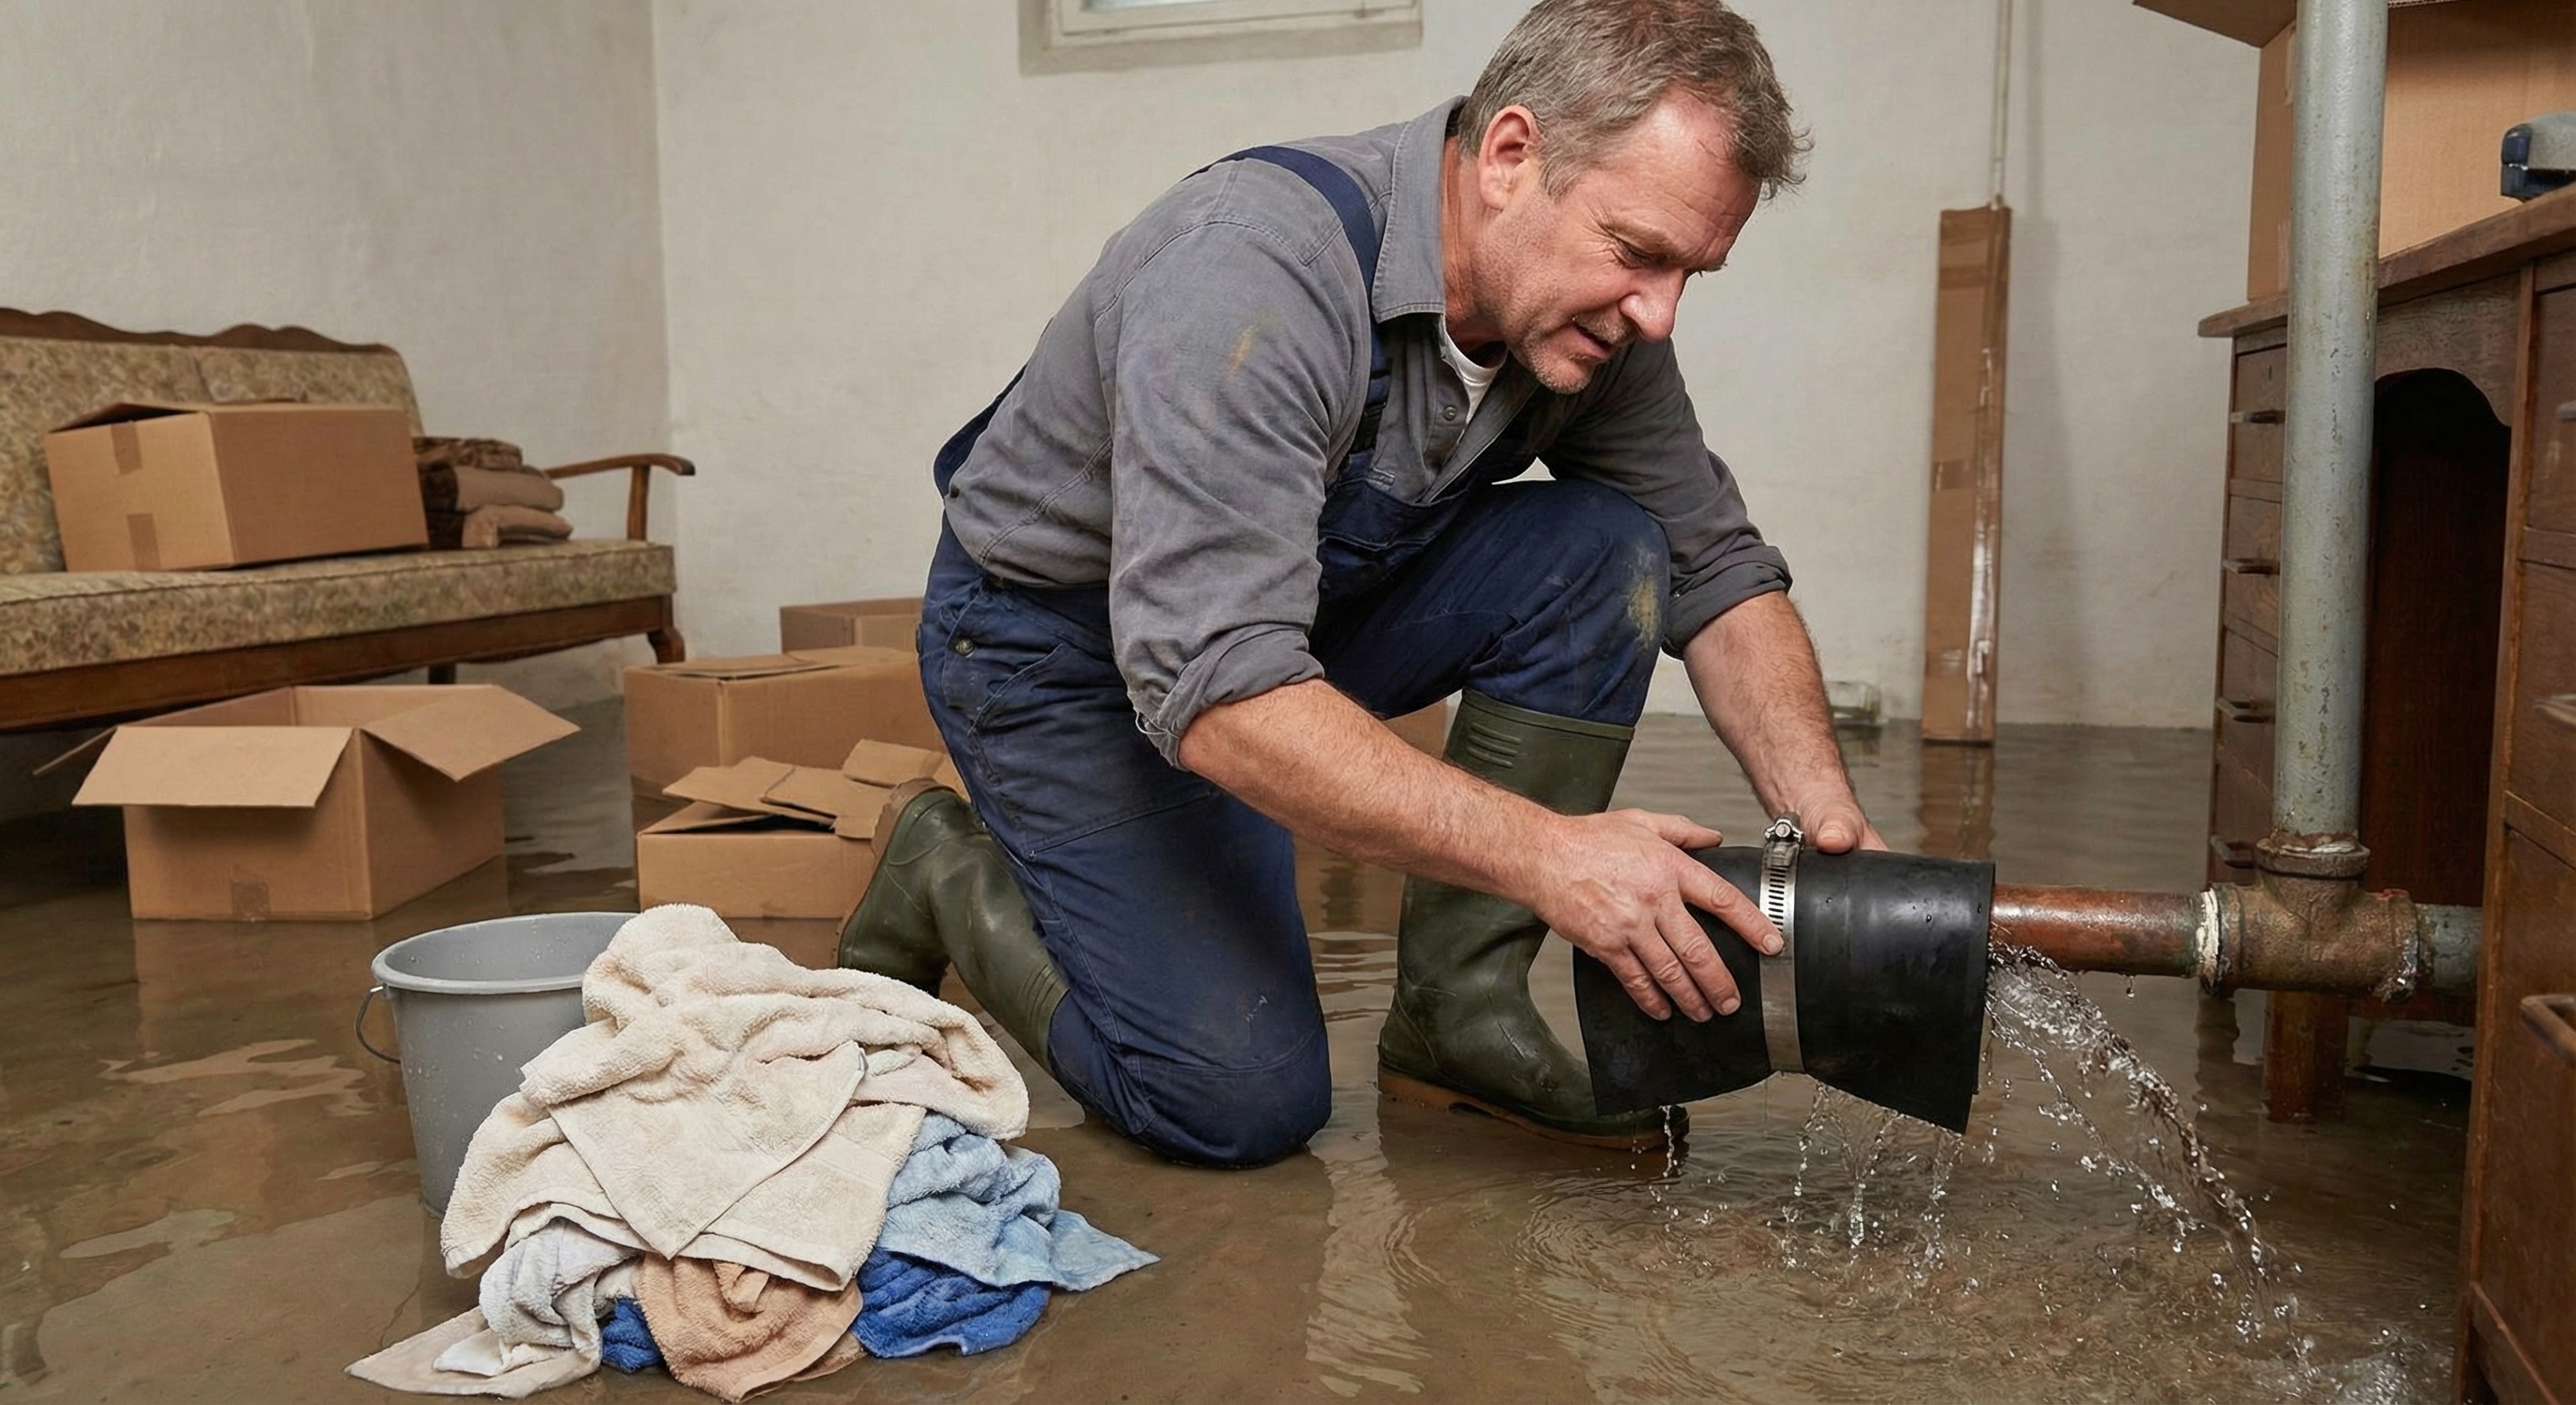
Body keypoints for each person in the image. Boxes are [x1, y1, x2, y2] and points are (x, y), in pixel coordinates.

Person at [836, 0, 1884, 1168]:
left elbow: (1715, 569)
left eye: (1692, 271)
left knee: (1606, 549)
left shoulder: (1587, 325)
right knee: (1237, 1103)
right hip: (1059, 656)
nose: (1658, 312)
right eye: (1636, 253)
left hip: (1274, 632)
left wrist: (1834, 838)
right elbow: (1223, 688)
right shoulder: (1249, 274)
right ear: (1509, 156)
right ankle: (943, 875)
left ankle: (1455, 1019)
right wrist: (1554, 856)